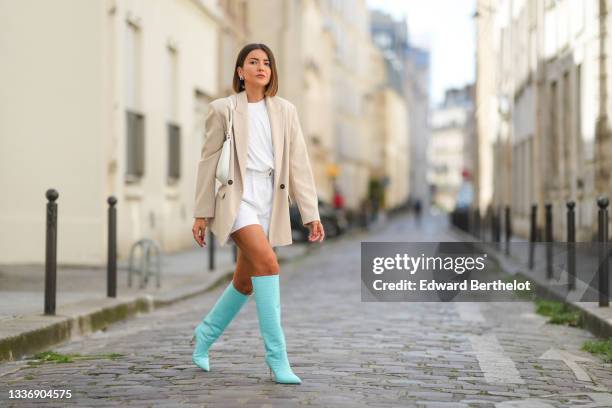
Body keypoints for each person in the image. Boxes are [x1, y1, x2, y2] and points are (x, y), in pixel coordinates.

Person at [190, 43, 325, 385]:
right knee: (268, 265)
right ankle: (277, 359)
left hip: (271, 199)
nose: (261, 66)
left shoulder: (285, 111)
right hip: (237, 198)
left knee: (246, 281)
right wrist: (202, 213)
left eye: (266, 62)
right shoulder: (223, 109)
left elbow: (298, 165)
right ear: (240, 71)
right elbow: (208, 162)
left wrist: (311, 213)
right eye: (253, 62)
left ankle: (204, 335)